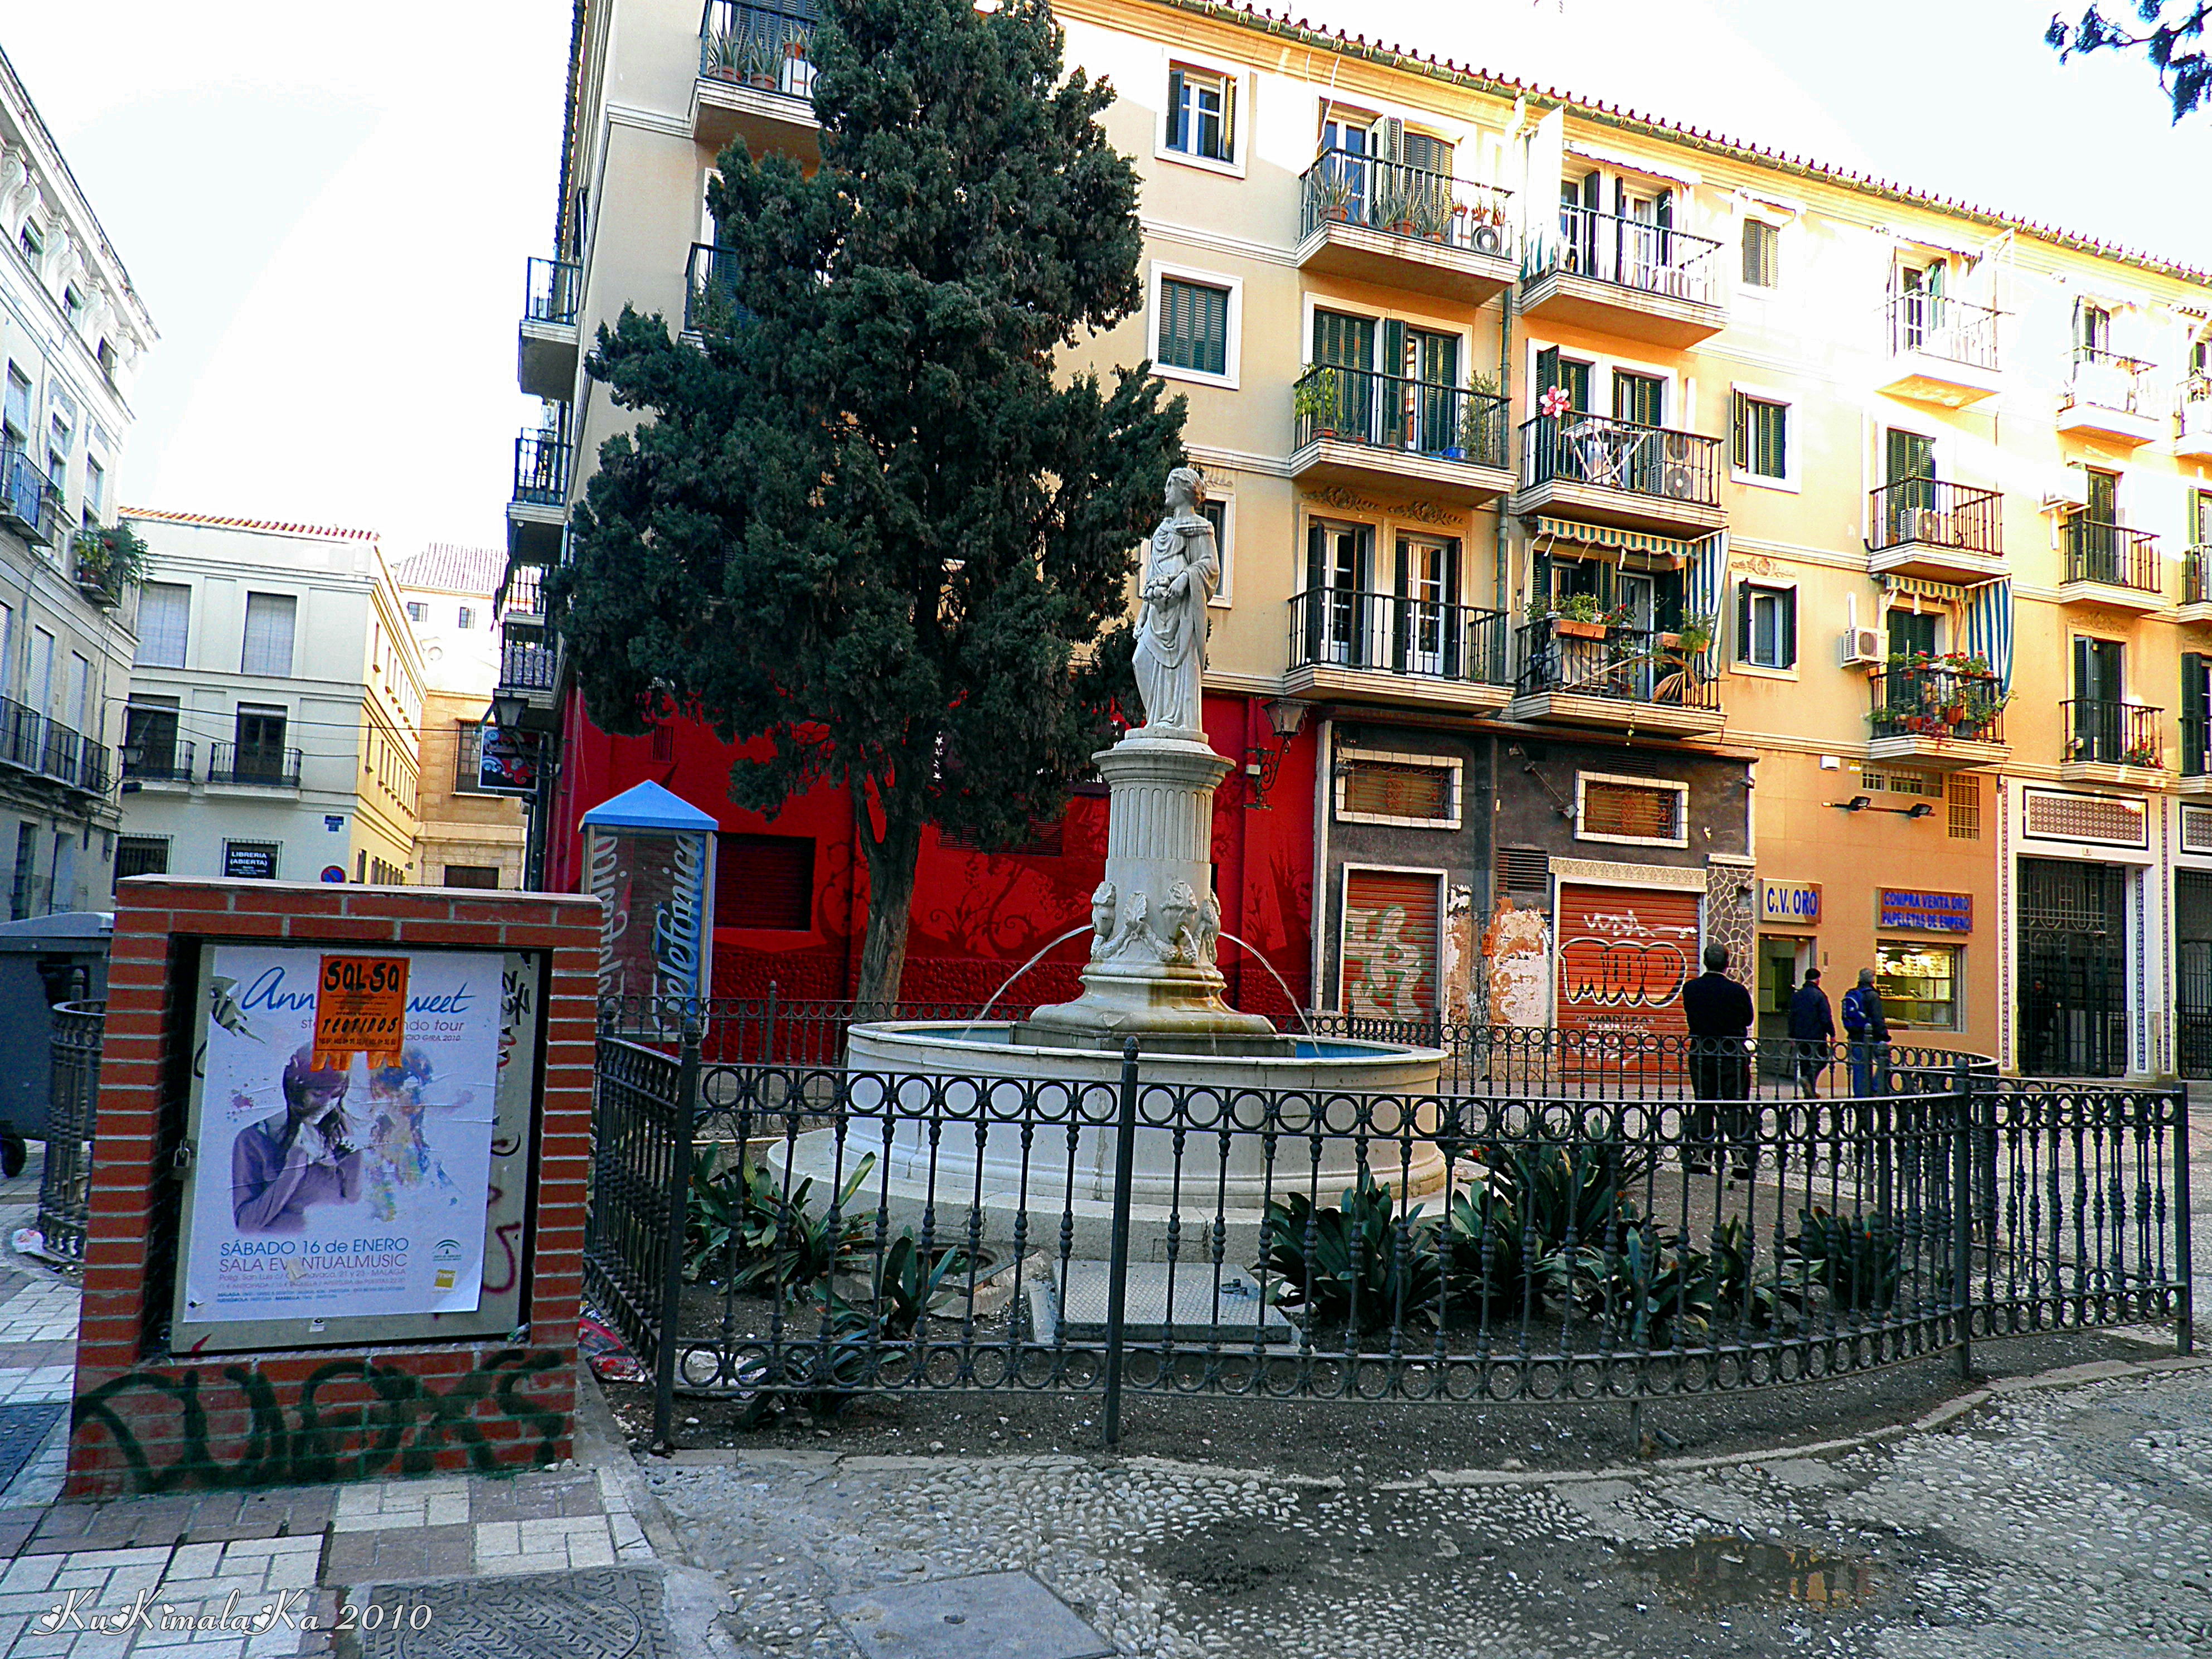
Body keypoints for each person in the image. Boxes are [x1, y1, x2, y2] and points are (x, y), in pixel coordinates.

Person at [232, 1047, 363, 1234]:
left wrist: (354, 1160)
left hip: (335, 1249)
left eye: (335, 1096)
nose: (326, 1105)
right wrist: (295, 1165)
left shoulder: (340, 1135)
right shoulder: (254, 1139)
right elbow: (245, 1224)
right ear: (295, 1089)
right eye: (317, 1095)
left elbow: (354, 1207)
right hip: (274, 1254)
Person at [1129, 467, 1220, 733]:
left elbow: (1211, 566)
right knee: (1140, 659)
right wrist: (1143, 613)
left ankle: (1176, 722)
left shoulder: (1201, 528)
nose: (1166, 490)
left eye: (1171, 484)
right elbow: (1153, 576)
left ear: (1185, 490)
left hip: (1182, 612)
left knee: (1181, 667)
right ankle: (1157, 719)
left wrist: (1185, 579)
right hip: (1157, 608)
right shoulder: (1163, 529)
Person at [1680, 943, 1756, 1177]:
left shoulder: (1691, 988)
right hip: (1732, 1052)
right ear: (1727, 963)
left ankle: (1702, 1159)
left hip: (1703, 1051)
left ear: (1705, 961)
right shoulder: (1737, 991)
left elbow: (1690, 1013)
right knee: (1735, 1105)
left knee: (1704, 1103)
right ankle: (1741, 1161)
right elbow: (1748, 1019)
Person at [1842, 967, 1891, 1098]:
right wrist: (1884, 1036)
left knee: (1859, 1067)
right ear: (1873, 980)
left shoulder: (1852, 993)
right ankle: (1875, 1087)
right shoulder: (1872, 996)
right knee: (1885, 1061)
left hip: (1855, 1036)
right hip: (1873, 1037)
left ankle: (1860, 1095)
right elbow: (1877, 1018)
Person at [1788, 967, 1835, 1098]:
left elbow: (1792, 1016)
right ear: (1818, 979)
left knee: (1805, 1061)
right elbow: (1825, 1017)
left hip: (1800, 1035)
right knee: (1822, 1059)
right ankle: (1809, 1080)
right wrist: (1832, 1033)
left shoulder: (1797, 996)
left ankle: (1809, 1091)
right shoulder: (1820, 996)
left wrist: (1791, 1035)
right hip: (1816, 1035)